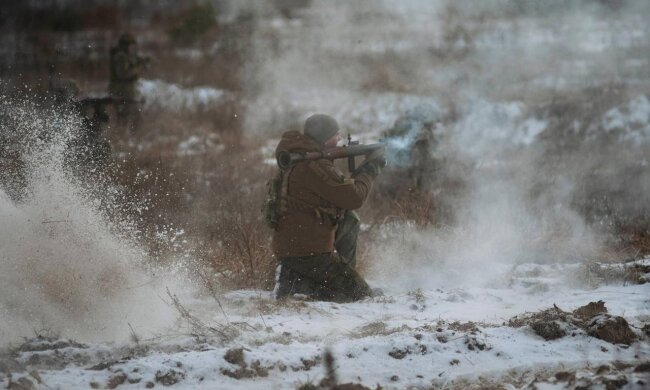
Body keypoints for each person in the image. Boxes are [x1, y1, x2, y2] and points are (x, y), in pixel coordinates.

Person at [271, 114, 385, 302]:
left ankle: (296, 278)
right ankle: (299, 283)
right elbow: (354, 197)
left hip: (292, 247)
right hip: (309, 253)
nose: (339, 139)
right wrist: (370, 170)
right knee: (361, 296)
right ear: (324, 138)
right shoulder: (313, 165)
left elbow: (339, 198)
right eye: (336, 135)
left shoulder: (298, 158)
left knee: (349, 218)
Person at [109, 33, 148, 132]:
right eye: (131, 46)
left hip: (124, 89)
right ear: (126, 46)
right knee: (133, 116)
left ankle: (125, 137)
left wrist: (141, 62)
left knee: (126, 116)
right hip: (122, 90)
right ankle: (131, 138)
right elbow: (123, 74)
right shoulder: (120, 57)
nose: (132, 48)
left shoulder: (125, 55)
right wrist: (138, 68)